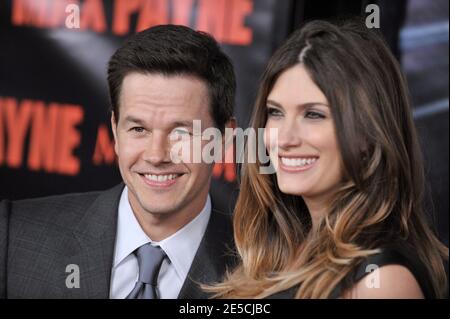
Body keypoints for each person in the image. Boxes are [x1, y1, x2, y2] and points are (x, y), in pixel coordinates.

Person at [208, 19, 448, 298]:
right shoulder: (277, 251)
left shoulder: (381, 279)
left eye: (313, 114)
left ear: (369, 133)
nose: (285, 139)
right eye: (276, 112)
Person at [0, 25, 237, 299]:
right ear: (115, 130)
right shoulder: (15, 237)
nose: (156, 155)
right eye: (139, 129)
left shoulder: (268, 273)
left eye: (181, 132)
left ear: (225, 138)